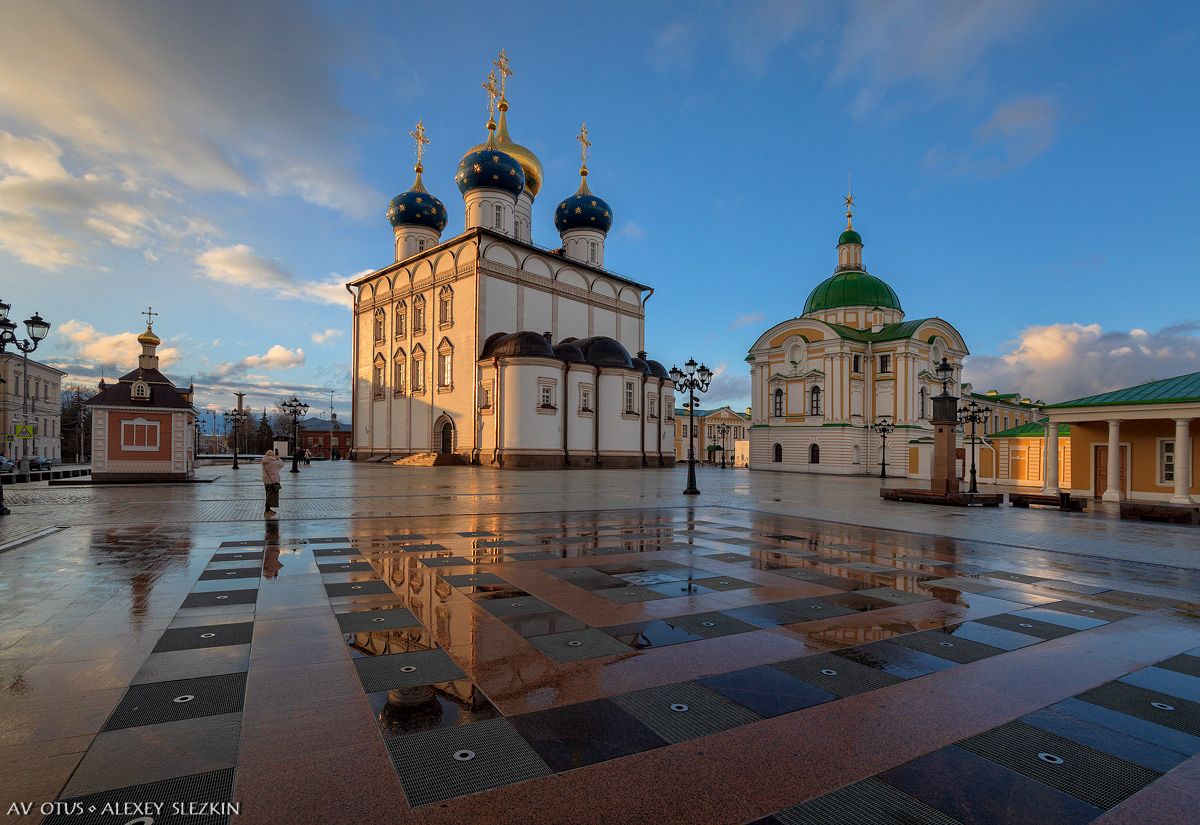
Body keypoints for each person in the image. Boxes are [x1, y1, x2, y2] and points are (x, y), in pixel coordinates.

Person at [262, 448, 284, 517]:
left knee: (268, 495)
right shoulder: (274, 462)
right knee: (270, 496)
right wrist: (278, 458)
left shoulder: (263, 461)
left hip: (266, 480)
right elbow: (281, 464)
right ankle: (267, 510)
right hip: (273, 480)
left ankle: (268, 509)